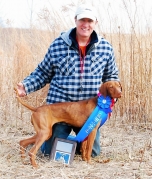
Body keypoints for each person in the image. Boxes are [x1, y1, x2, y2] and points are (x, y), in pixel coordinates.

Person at [16, 3, 119, 158]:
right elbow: (43, 72)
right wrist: (26, 86)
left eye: (90, 21)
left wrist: (111, 99)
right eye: (82, 20)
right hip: (60, 109)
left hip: (89, 112)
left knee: (93, 153)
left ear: (95, 23)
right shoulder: (58, 44)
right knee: (49, 152)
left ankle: (71, 142)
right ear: (75, 20)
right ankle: (53, 140)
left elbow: (111, 77)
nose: (86, 24)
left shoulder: (105, 47)